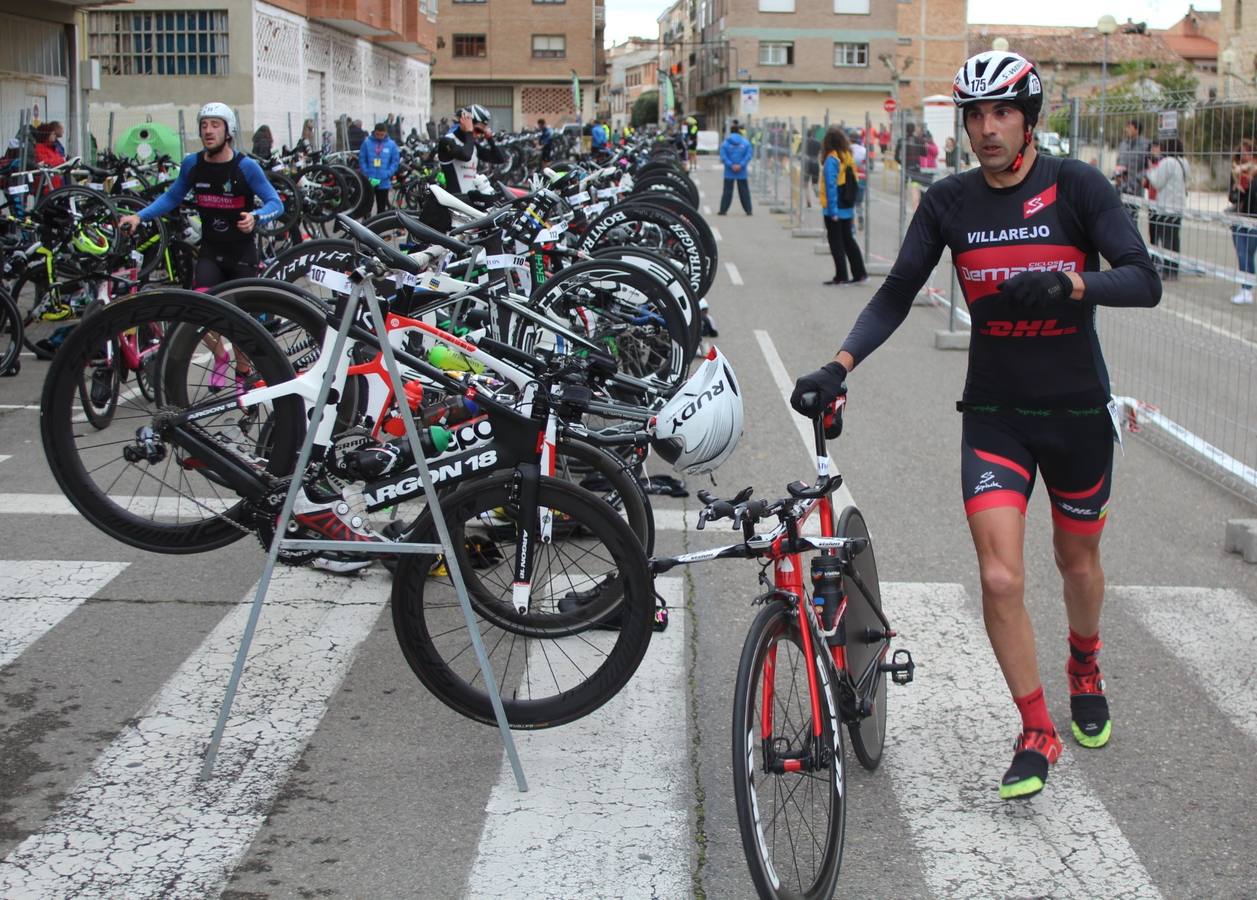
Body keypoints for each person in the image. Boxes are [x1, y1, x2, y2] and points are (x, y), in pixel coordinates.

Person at [791, 50, 1161, 801]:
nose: (985, 130)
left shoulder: (1076, 186)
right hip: (994, 416)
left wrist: (1068, 281)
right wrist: (838, 365)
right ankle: (1035, 728)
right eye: (973, 116)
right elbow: (895, 293)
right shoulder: (949, 201)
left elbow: (1143, 278)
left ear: (1029, 118)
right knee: (998, 575)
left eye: (1000, 113)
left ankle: (1083, 664)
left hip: (1076, 414)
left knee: (1076, 564)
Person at [118, 101, 283, 383]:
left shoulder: (246, 167)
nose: (208, 131)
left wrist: (256, 217)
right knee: (199, 313)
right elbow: (172, 197)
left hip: (242, 253)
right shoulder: (192, 165)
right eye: (204, 126)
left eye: (215, 125)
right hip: (210, 251)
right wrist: (139, 216)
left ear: (228, 131)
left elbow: (275, 204)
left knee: (244, 322)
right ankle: (220, 355)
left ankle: (243, 373)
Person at [818, 126, 867, 285]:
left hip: (835, 207)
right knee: (848, 240)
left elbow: (831, 186)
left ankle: (841, 276)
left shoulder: (832, 159)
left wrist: (832, 210)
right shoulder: (847, 156)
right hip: (847, 204)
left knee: (836, 242)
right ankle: (860, 273)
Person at [1145, 138, 1187, 282]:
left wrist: (1151, 170)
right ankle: (1173, 270)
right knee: (1175, 240)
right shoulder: (1183, 162)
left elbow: (1157, 182)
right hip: (1178, 207)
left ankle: (1167, 271)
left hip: (1165, 207)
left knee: (1166, 240)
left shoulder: (1167, 162)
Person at [437, 104, 504, 196]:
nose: (478, 135)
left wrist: (490, 139)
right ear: (464, 123)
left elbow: (499, 159)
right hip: (454, 201)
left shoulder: (473, 146)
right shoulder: (447, 141)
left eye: (481, 132)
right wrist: (469, 131)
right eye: (476, 130)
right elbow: (466, 156)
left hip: (470, 202)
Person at [1229, 139, 1257, 305]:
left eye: (1248, 152)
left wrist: (1252, 182)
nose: (1245, 157)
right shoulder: (1236, 172)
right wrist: (1237, 190)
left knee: (1248, 253)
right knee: (1241, 253)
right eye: (1242, 153)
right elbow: (1231, 197)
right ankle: (1245, 288)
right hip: (1239, 217)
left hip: (1254, 219)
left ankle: (1248, 289)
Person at [358, 121, 399, 214]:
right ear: (374, 132)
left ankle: (379, 226)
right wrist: (366, 172)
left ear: (385, 133)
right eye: (377, 134)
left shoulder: (391, 145)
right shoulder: (367, 143)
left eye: (382, 134)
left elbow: (395, 162)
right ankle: (366, 224)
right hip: (369, 179)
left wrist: (388, 173)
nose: (379, 136)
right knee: (367, 205)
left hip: (383, 180)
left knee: (381, 207)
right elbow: (362, 159)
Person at [1115, 120, 1149, 223]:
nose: (1127, 130)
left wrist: (1138, 179)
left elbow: (1148, 166)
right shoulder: (1123, 144)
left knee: (1131, 220)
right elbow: (1118, 162)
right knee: (1119, 219)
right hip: (1121, 187)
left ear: (1137, 129)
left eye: (1129, 127)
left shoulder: (1145, 145)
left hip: (1135, 189)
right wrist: (1117, 175)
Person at [717, 122, 752, 216]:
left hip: (729, 171)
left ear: (730, 131)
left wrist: (731, 165)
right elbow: (748, 155)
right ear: (739, 131)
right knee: (744, 191)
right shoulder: (745, 142)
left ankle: (723, 210)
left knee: (727, 191)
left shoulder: (725, 143)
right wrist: (741, 165)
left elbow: (723, 156)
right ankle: (748, 210)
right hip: (742, 171)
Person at [32, 122, 65, 192]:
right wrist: (60, 161)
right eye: (52, 134)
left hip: (55, 184)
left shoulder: (52, 147)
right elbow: (44, 162)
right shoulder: (39, 148)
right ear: (46, 135)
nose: (55, 136)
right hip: (46, 186)